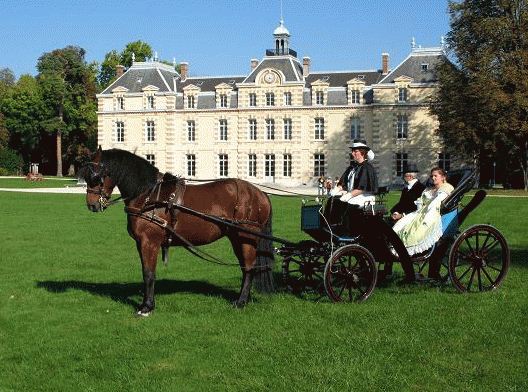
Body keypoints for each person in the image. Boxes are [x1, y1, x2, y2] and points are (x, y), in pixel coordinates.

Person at [393, 167, 454, 256]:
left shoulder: (446, 188)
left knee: (415, 231)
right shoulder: (430, 189)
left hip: (433, 213)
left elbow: (436, 204)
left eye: (435, 176)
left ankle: (405, 251)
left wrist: (425, 212)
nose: (433, 178)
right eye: (432, 176)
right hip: (421, 212)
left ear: (443, 177)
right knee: (401, 224)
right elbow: (420, 202)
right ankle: (396, 247)